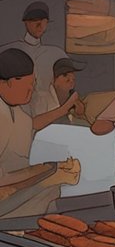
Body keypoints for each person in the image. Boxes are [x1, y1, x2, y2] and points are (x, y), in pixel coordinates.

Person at [0, 49, 80, 217]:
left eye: (33, 83)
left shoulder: (18, 112)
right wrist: (49, 172)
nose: (32, 89)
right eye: (27, 85)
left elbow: (33, 124)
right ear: (7, 82)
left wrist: (64, 109)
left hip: (18, 193)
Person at [2, 2, 63, 116]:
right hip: (16, 109)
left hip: (48, 109)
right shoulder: (10, 50)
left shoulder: (56, 53)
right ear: (26, 22)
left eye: (43, 20)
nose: (39, 24)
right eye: (35, 20)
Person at [31, 58, 87, 128]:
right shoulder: (42, 98)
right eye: (64, 75)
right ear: (54, 79)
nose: (70, 80)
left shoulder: (74, 98)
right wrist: (66, 106)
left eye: (72, 77)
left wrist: (79, 110)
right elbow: (35, 125)